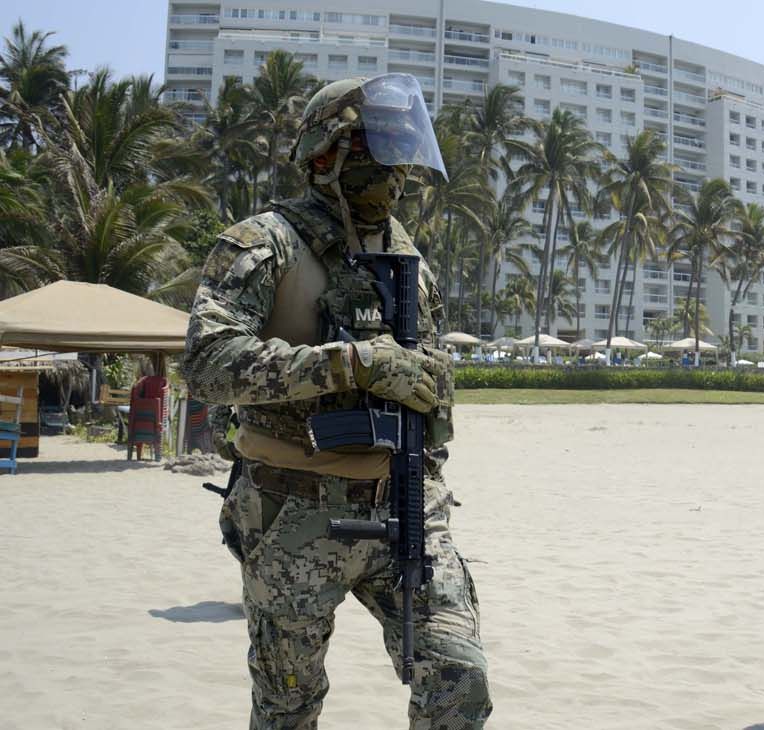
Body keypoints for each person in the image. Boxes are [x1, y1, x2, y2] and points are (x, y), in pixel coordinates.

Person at [182, 73, 491, 729]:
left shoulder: (409, 260)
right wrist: (350, 363)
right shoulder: (263, 243)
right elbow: (207, 365)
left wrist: (427, 379)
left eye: (402, 158)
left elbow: (434, 382)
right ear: (326, 156)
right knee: (289, 705)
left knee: (460, 687)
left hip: (407, 502)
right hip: (291, 507)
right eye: (378, 156)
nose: (395, 177)